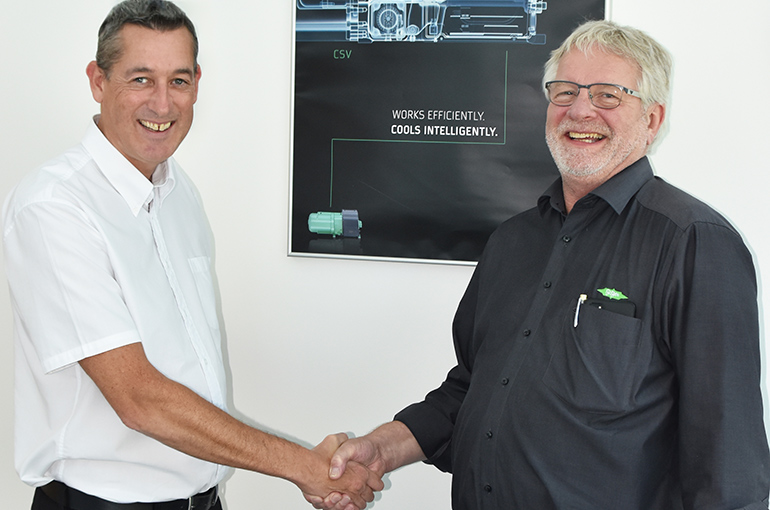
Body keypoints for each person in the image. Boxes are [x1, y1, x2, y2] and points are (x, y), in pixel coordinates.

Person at [310, 19, 770, 510]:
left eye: (608, 95)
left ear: (653, 120)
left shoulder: (694, 241)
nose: (581, 110)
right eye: (565, 91)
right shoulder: (512, 241)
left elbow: (727, 464)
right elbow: (469, 390)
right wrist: (382, 449)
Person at [3, 1, 382, 509]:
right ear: (98, 81)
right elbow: (140, 400)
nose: (162, 104)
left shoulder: (178, 192)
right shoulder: (55, 208)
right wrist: (305, 467)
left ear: (197, 83)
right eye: (141, 79)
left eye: (178, 81)